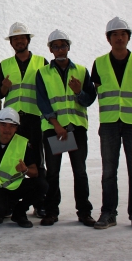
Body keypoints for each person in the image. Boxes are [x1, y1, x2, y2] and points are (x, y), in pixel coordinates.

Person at [91, 17, 132, 232]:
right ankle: (108, 212)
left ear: (128, 37)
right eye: (115, 34)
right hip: (109, 123)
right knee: (109, 171)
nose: (119, 38)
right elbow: (98, 89)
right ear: (108, 39)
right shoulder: (99, 63)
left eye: (123, 34)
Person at [36, 30, 97, 227]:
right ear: (50, 49)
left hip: (76, 129)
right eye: (55, 46)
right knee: (53, 172)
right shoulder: (43, 73)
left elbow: (89, 99)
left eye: (63, 45)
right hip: (55, 130)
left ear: (69, 47)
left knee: (80, 171)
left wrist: (79, 92)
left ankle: (84, 212)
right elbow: (43, 101)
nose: (60, 49)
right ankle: (52, 211)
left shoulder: (80, 70)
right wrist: (56, 125)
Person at [0, 22, 48, 217]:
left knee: (37, 161)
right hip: (13, 122)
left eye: (22, 38)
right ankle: (13, 200)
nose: (18, 41)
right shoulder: (5, 64)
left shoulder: (42, 62)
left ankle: (39, 202)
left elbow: (48, 90)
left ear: (28, 40)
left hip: (34, 118)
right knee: (12, 160)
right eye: (15, 39)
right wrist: (4, 87)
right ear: (11, 43)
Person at [0, 107, 38, 228]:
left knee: (41, 184)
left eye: (12, 126)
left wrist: (25, 169)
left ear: (16, 128)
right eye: (4, 125)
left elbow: (35, 172)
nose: (7, 129)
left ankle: (19, 212)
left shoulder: (23, 143)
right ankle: (4, 206)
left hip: (14, 186)